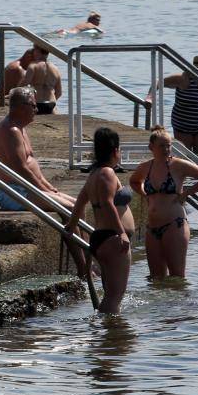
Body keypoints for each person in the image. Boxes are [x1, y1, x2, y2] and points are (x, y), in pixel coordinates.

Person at [130, 128, 198, 279]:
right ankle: (161, 303)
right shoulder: (146, 167)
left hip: (174, 225)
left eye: (168, 145)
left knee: (177, 277)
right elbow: (134, 181)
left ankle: (179, 303)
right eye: (161, 146)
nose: (166, 149)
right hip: (152, 228)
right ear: (151, 147)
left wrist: (186, 194)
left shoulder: (178, 165)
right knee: (156, 278)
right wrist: (145, 194)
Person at [63, 126, 132, 315]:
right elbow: (108, 203)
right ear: (115, 150)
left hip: (101, 239)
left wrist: (72, 224)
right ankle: (111, 338)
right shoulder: (107, 173)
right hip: (113, 239)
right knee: (114, 297)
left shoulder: (94, 174)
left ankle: (105, 339)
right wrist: (122, 232)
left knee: (110, 295)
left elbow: (81, 201)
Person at [0, 86, 75, 212]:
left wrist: (48, 186)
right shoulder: (11, 131)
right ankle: (72, 232)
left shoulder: (20, 127)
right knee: (69, 208)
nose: (37, 109)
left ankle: (79, 232)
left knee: (77, 206)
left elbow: (31, 164)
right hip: (14, 192)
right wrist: (42, 189)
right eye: (33, 106)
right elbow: (21, 169)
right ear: (22, 107)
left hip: (27, 188)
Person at [163, 53, 198, 155]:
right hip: (183, 125)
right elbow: (158, 83)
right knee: (186, 156)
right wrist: (150, 97)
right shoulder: (183, 79)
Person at [23, 46, 62, 114]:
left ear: (38, 51)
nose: (33, 52)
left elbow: (23, 86)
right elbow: (59, 92)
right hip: (51, 103)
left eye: (34, 50)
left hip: (37, 103)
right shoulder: (56, 69)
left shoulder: (33, 66)